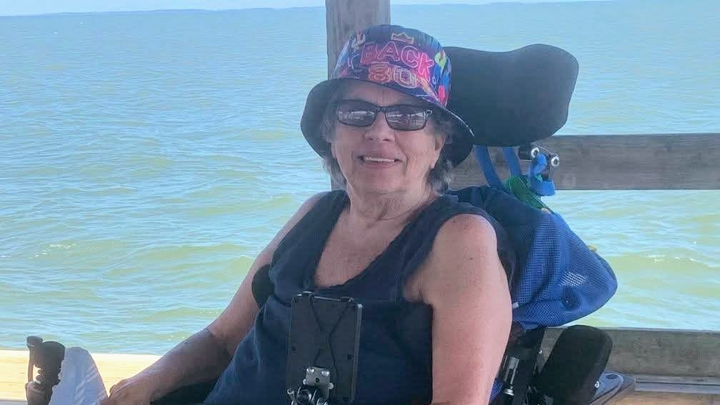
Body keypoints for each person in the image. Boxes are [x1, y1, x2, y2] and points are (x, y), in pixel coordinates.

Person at [103, 24, 513, 405]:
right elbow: (222, 340)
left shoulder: (460, 239)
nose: (379, 132)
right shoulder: (316, 213)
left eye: (407, 116)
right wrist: (145, 382)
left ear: (438, 142)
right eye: (357, 112)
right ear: (330, 133)